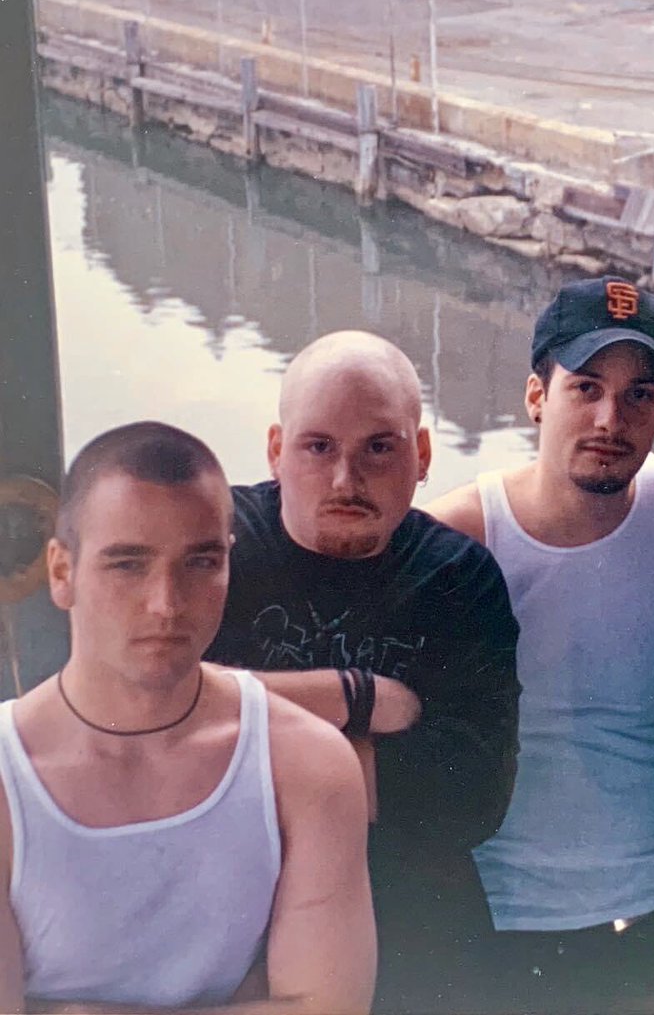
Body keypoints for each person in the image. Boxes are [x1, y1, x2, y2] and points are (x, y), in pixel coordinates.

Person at [429, 277, 654, 1012]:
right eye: (586, 387)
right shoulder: (459, 537)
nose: (610, 418)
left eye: (639, 395)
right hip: (506, 909)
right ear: (535, 396)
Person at [0, 421, 375, 1013]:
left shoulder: (304, 763)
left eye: (200, 563)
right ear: (61, 572)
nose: (166, 603)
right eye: (127, 564)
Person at [204, 331, 520, 1014]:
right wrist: (358, 696)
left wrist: (237, 738)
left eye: (379, 446)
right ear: (275, 451)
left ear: (423, 455)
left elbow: (471, 795)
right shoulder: (215, 546)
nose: (346, 479)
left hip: (409, 929)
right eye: (318, 446)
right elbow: (139, 710)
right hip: (227, 922)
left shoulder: (456, 580)